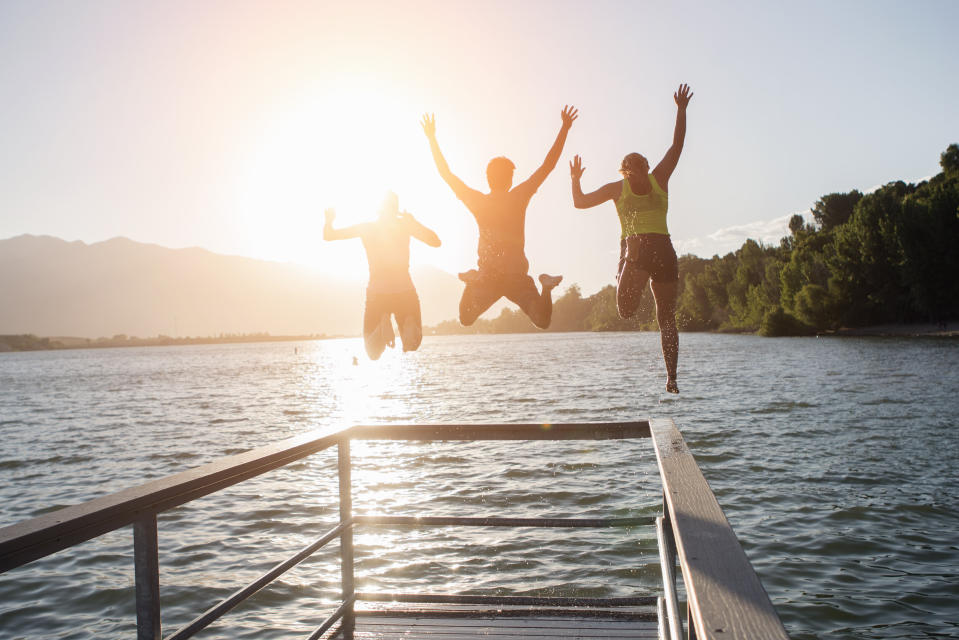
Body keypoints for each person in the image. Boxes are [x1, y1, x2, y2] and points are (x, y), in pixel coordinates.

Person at [569, 84, 693, 393]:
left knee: (659, 315)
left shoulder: (653, 179)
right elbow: (580, 202)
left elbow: (676, 146)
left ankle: (672, 376)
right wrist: (574, 181)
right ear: (625, 173)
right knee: (653, 315)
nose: (637, 179)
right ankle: (671, 378)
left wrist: (681, 110)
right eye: (632, 174)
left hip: (649, 248)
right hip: (659, 247)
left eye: (641, 172)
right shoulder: (626, 186)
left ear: (646, 168)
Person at [421, 106, 578, 328]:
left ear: (487, 177)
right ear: (511, 179)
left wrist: (432, 139)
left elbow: (446, 174)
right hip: (514, 275)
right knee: (542, 321)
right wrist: (564, 128)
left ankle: (470, 281)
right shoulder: (519, 197)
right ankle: (546, 286)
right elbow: (548, 166)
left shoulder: (478, 202)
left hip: (488, 276)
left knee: (466, 318)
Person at [323, 192, 441, 360]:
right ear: (396, 208)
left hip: (377, 293)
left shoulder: (367, 228)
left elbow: (329, 236)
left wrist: (329, 220)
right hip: (405, 291)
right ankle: (408, 321)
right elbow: (436, 242)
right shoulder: (405, 225)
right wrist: (414, 223)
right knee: (413, 344)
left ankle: (380, 328)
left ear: (378, 209)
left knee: (373, 353)